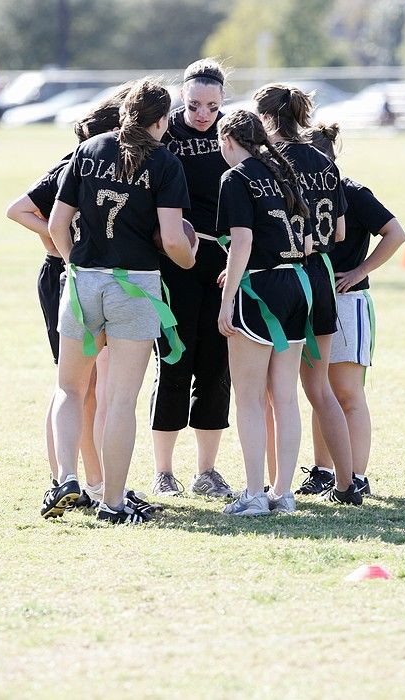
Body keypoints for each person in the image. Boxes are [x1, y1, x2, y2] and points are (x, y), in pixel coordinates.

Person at [48, 77, 197, 524]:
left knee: (69, 389)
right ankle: (112, 501)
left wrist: (79, 263)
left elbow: (57, 225)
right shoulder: (167, 163)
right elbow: (172, 239)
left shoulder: (88, 150)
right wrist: (190, 261)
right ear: (161, 120)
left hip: (83, 281)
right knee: (120, 400)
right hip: (135, 284)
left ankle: (66, 479)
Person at [6, 85, 133, 511]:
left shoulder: (123, 168)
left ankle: (87, 481)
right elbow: (19, 209)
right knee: (75, 384)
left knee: (89, 385)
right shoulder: (75, 163)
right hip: (68, 276)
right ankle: (68, 479)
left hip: (95, 278)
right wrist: (69, 249)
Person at [253, 83, 362, 507]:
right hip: (320, 275)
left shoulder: (266, 161)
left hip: (281, 277)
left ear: (265, 118)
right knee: (320, 390)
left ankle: (271, 485)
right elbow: (339, 231)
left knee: (270, 391)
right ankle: (347, 483)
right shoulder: (324, 159)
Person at [216, 109, 313, 516]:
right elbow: (308, 242)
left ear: (227, 140)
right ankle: (283, 493)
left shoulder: (235, 178)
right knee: (286, 398)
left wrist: (227, 299)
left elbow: (242, 241)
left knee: (251, 398)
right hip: (298, 284)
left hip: (261, 289)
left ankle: (255, 494)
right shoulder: (285, 173)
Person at [308, 123, 405, 495]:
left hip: (349, 303)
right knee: (319, 392)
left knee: (346, 392)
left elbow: (396, 233)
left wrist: (359, 271)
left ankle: (357, 477)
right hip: (311, 300)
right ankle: (322, 471)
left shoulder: (352, 192)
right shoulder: (293, 192)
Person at [150, 59, 233, 498]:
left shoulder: (232, 137)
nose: (203, 114)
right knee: (174, 362)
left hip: (224, 266)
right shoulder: (166, 137)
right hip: (175, 264)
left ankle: (208, 471)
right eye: (196, 104)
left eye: (212, 105)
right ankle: (163, 472)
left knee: (216, 367)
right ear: (182, 97)